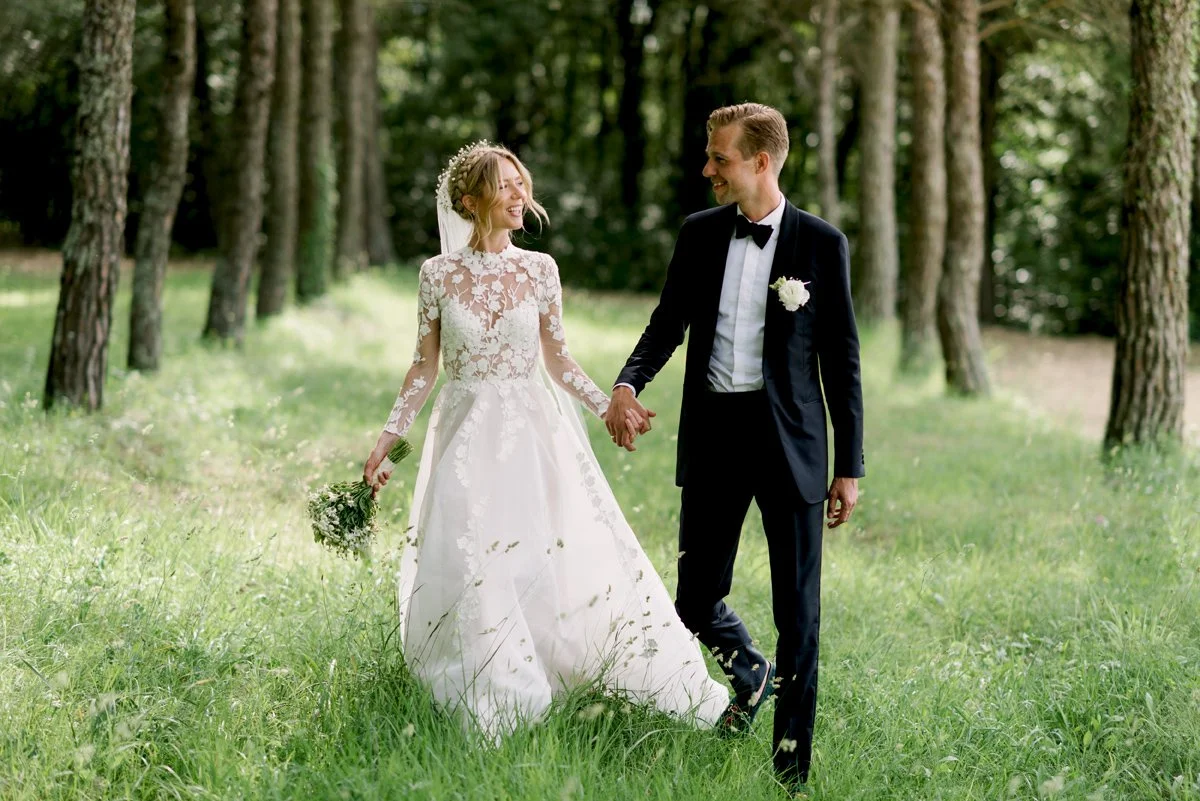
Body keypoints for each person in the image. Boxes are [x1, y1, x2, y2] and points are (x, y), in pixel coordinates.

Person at [362, 141, 728, 740]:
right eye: (505, 185)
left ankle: (557, 664)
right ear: (469, 200)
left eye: (521, 184)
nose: (519, 195)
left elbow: (557, 362)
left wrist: (610, 403)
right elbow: (423, 369)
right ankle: (490, 682)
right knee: (473, 555)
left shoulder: (540, 270)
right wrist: (389, 443)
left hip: (533, 433)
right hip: (463, 436)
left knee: (542, 551)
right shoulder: (437, 275)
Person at [605, 103, 866, 790]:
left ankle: (790, 769)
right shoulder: (698, 235)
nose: (707, 169)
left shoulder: (821, 243)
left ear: (760, 162)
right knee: (693, 599)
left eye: (718, 157)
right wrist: (628, 383)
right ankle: (748, 671)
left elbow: (842, 360)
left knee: (799, 616)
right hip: (716, 439)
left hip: (793, 448)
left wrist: (850, 466)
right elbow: (667, 323)